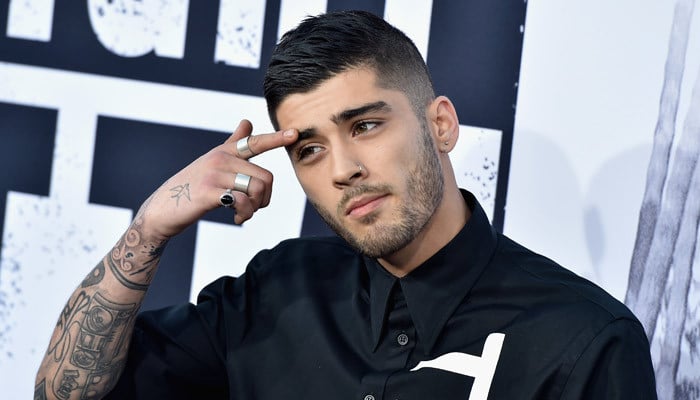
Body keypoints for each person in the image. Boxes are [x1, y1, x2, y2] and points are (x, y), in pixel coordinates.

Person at [34, 10, 657, 400]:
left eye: (365, 126)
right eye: (309, 150)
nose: (342, 170)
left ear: (440, 125)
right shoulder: (275, 292)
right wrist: (148, 229)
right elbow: (64, 395)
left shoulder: (582, 339)